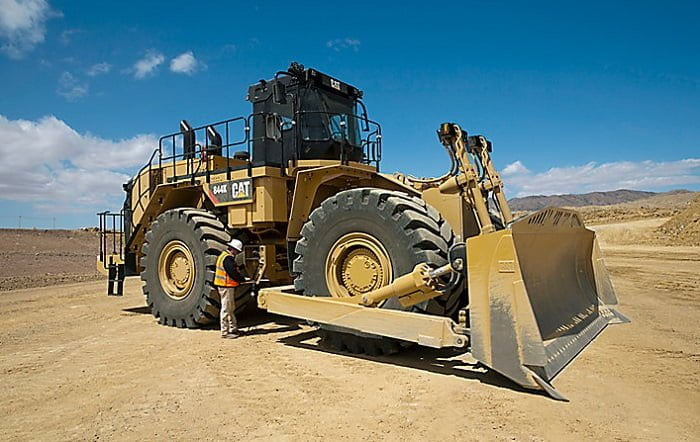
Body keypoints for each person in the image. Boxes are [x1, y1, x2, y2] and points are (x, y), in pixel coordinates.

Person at [214, 239, 246, 338]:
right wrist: (241, 279)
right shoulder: (227, 259)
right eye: (237, 251)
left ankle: (233, 329)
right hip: (226, 286)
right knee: (226, 309)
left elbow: (232, 269)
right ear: (233, 249)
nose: (237, 253)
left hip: (226, 286)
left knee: (230, 308)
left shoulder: (224, 257)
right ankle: (225, 332)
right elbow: (232, 272)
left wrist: (240, 269)